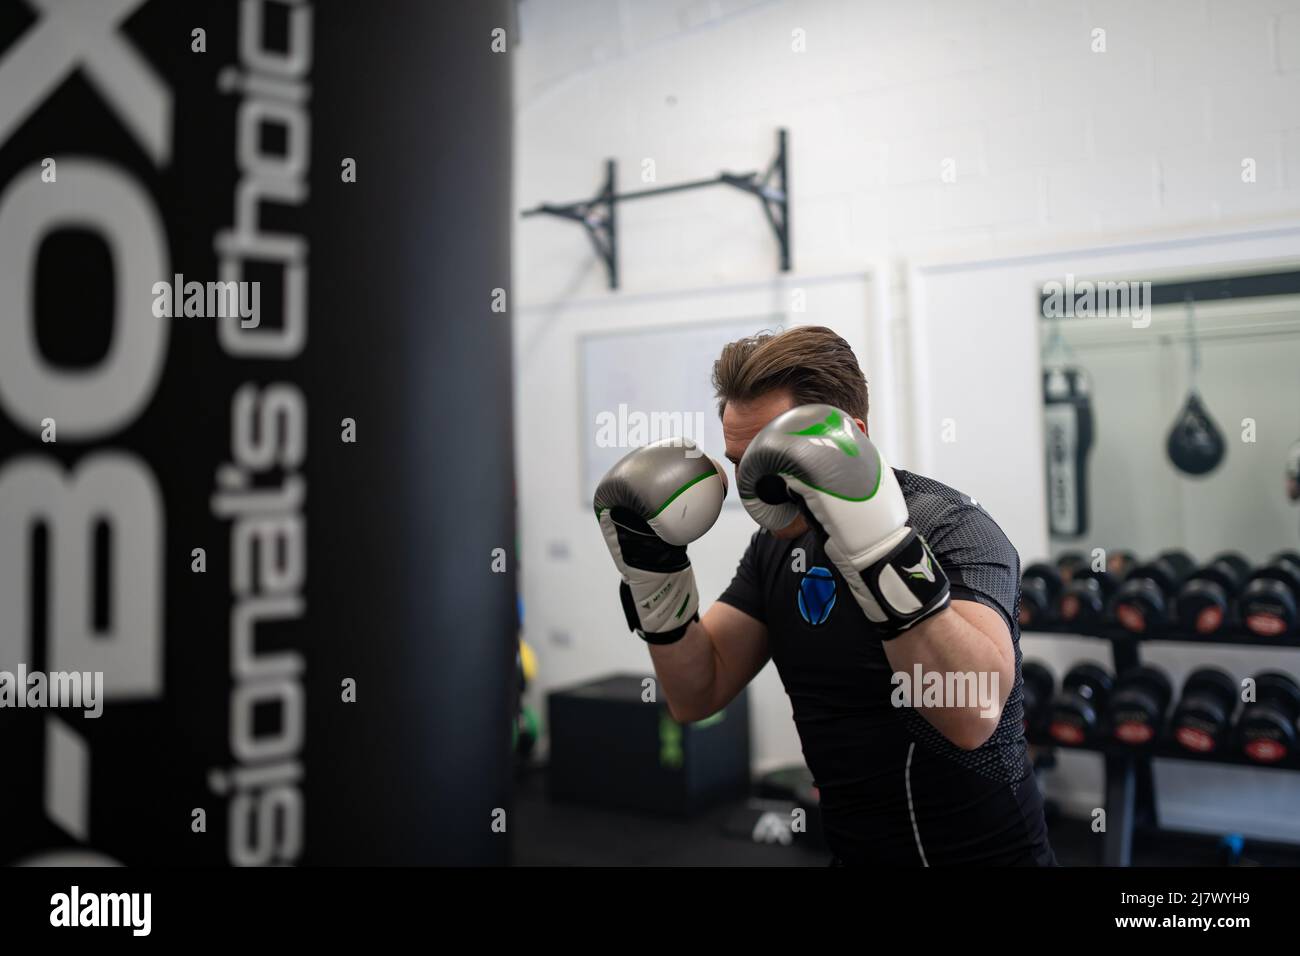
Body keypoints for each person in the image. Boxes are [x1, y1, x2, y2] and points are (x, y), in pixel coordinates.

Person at [595, 326, 1055, 866]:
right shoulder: (773, 549)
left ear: (849, 436)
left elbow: (972, 713)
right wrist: (654, 574)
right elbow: (697, 693)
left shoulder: (953, 528)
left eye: (771, 460)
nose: (754, 489)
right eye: (742, 464)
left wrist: (880, 550)